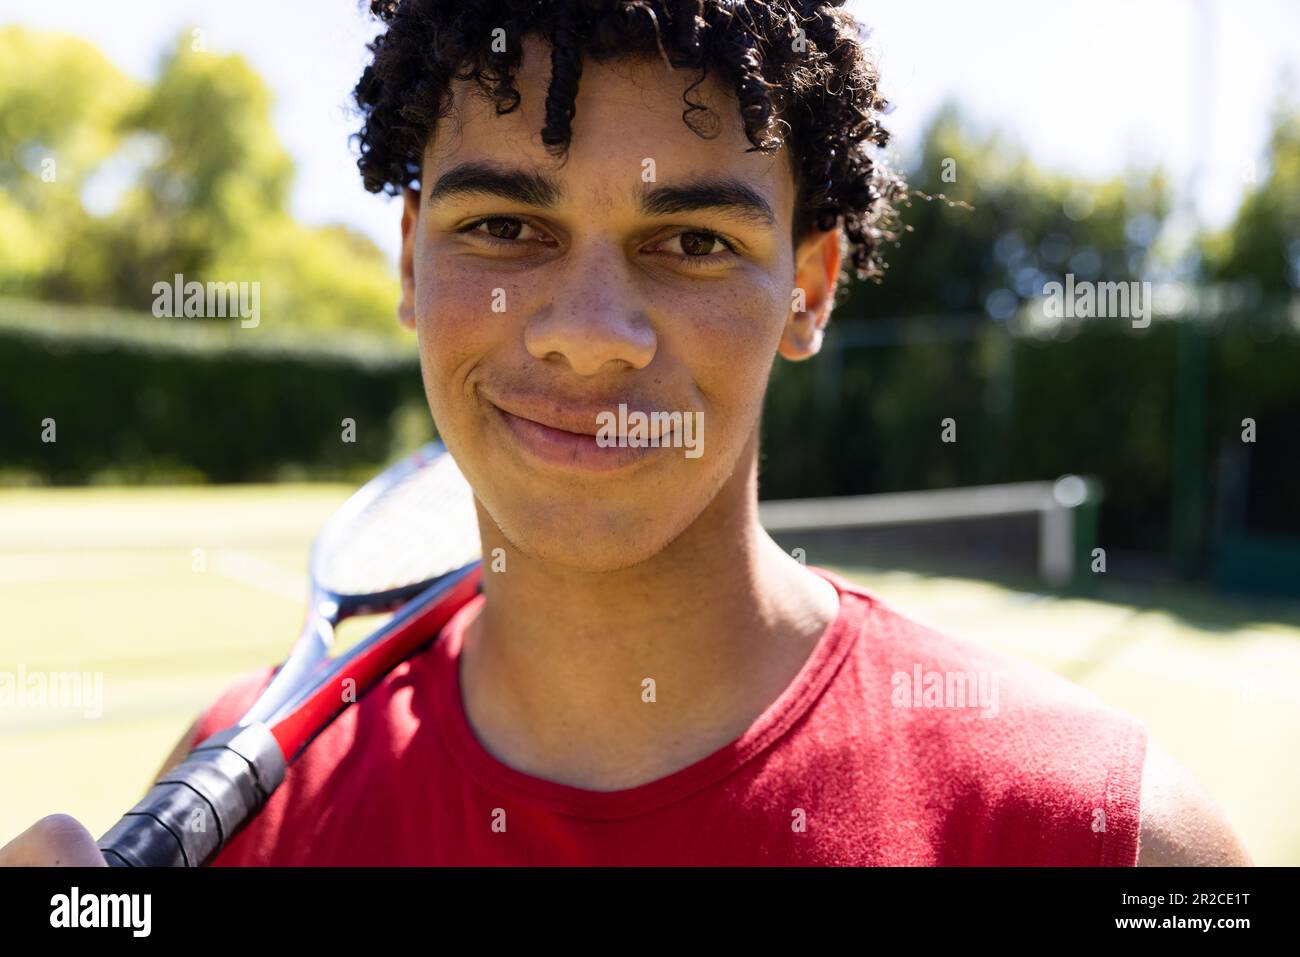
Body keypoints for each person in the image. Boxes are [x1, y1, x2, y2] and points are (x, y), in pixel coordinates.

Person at [2, 0, 1250, 867]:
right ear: (407, 258)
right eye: (503, 226)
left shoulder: (1107, 838)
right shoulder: (229, 799)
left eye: (692, 242)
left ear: (809, 288)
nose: (587, 334)